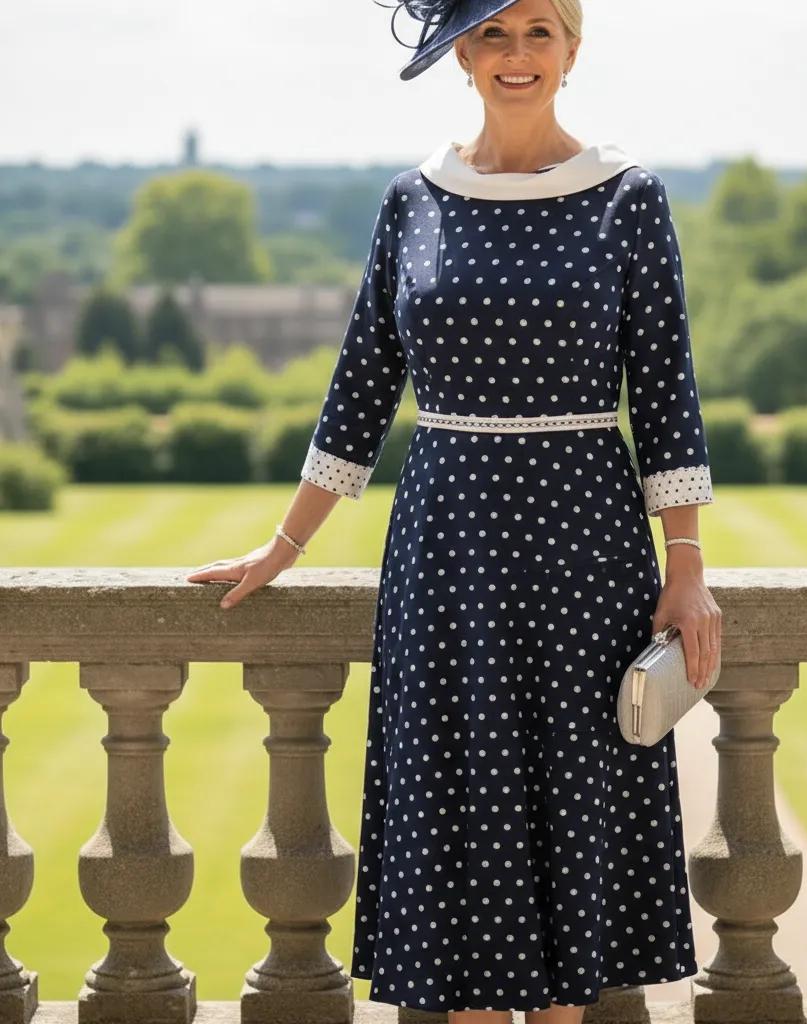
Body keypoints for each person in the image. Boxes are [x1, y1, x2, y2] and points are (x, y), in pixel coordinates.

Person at [186, 0, 723, 1020]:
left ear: (571, 49)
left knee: (570, 818)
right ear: (459, 56)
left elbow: (664, 393)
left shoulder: (628, 198)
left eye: (536, 32)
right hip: (447, 548)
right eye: (491, 34)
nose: (514, 55)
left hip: (584, 550)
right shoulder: (413, 200)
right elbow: (358, 390)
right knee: (462, 819)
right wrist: (286, 540)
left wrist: (685, 565)